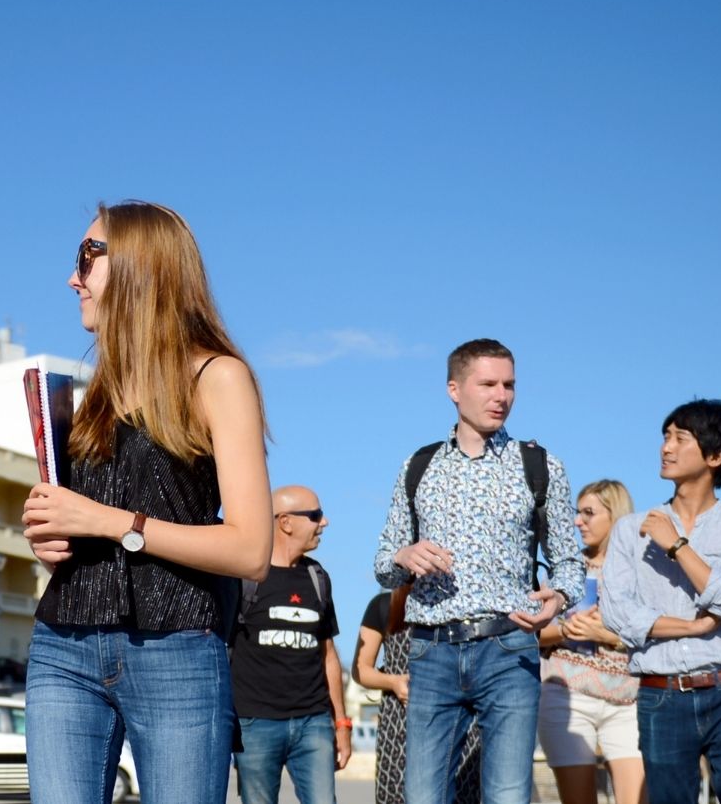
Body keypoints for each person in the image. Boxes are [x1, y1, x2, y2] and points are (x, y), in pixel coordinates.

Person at [21, 200, 272, 804]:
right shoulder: (96, 393)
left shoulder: (217, 376)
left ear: (141, 263)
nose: (72, 277)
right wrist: (51, 536)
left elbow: (251, 549)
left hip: (178, 651)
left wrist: (106, 521)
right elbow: (86, 530)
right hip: (63, 645)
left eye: (87, 255)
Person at [373, 337, 585, 804]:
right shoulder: (419, 466)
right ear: (454, 388)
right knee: (422, 795)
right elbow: (383, 565)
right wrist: (402, 557)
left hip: (510, 648)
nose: (501, 395)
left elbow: (570, 561)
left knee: (508, 795)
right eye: (487, 383)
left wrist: (560, 597)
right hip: (431, 650)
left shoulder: (540, 465)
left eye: (509, 384)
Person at [601, 399, 721, 804]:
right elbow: (618, 614)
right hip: (660, 693)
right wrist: (693, 626)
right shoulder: (630, 530)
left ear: (716, 456)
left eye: (679, 438)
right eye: (665, 436)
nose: (665, 447)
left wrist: (677, 546)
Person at [231, 485, 351, 804]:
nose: (323, 523)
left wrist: (341, 722)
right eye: (315, 516)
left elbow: (328, 655)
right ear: (286, 522)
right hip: (255, 724)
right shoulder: (245, 577)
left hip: (313, 723)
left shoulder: (318, 577)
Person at [536, 479, 645, 804]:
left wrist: (606, 634)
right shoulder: (564, 570)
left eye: (588, 513)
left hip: (628, 701)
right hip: (566, 699)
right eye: (576, 512)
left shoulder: (641, 571)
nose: (577, 521)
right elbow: (532, 632)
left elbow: (659, 634)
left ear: (616, 516)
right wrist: (567, 630)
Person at [353, 591, 482, 804]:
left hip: (460, 722)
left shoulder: (462, 601)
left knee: (461, 794)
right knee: (396, 796)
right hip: (399, 727)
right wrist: (393, 682)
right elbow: (360, 670)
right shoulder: (385, 604)